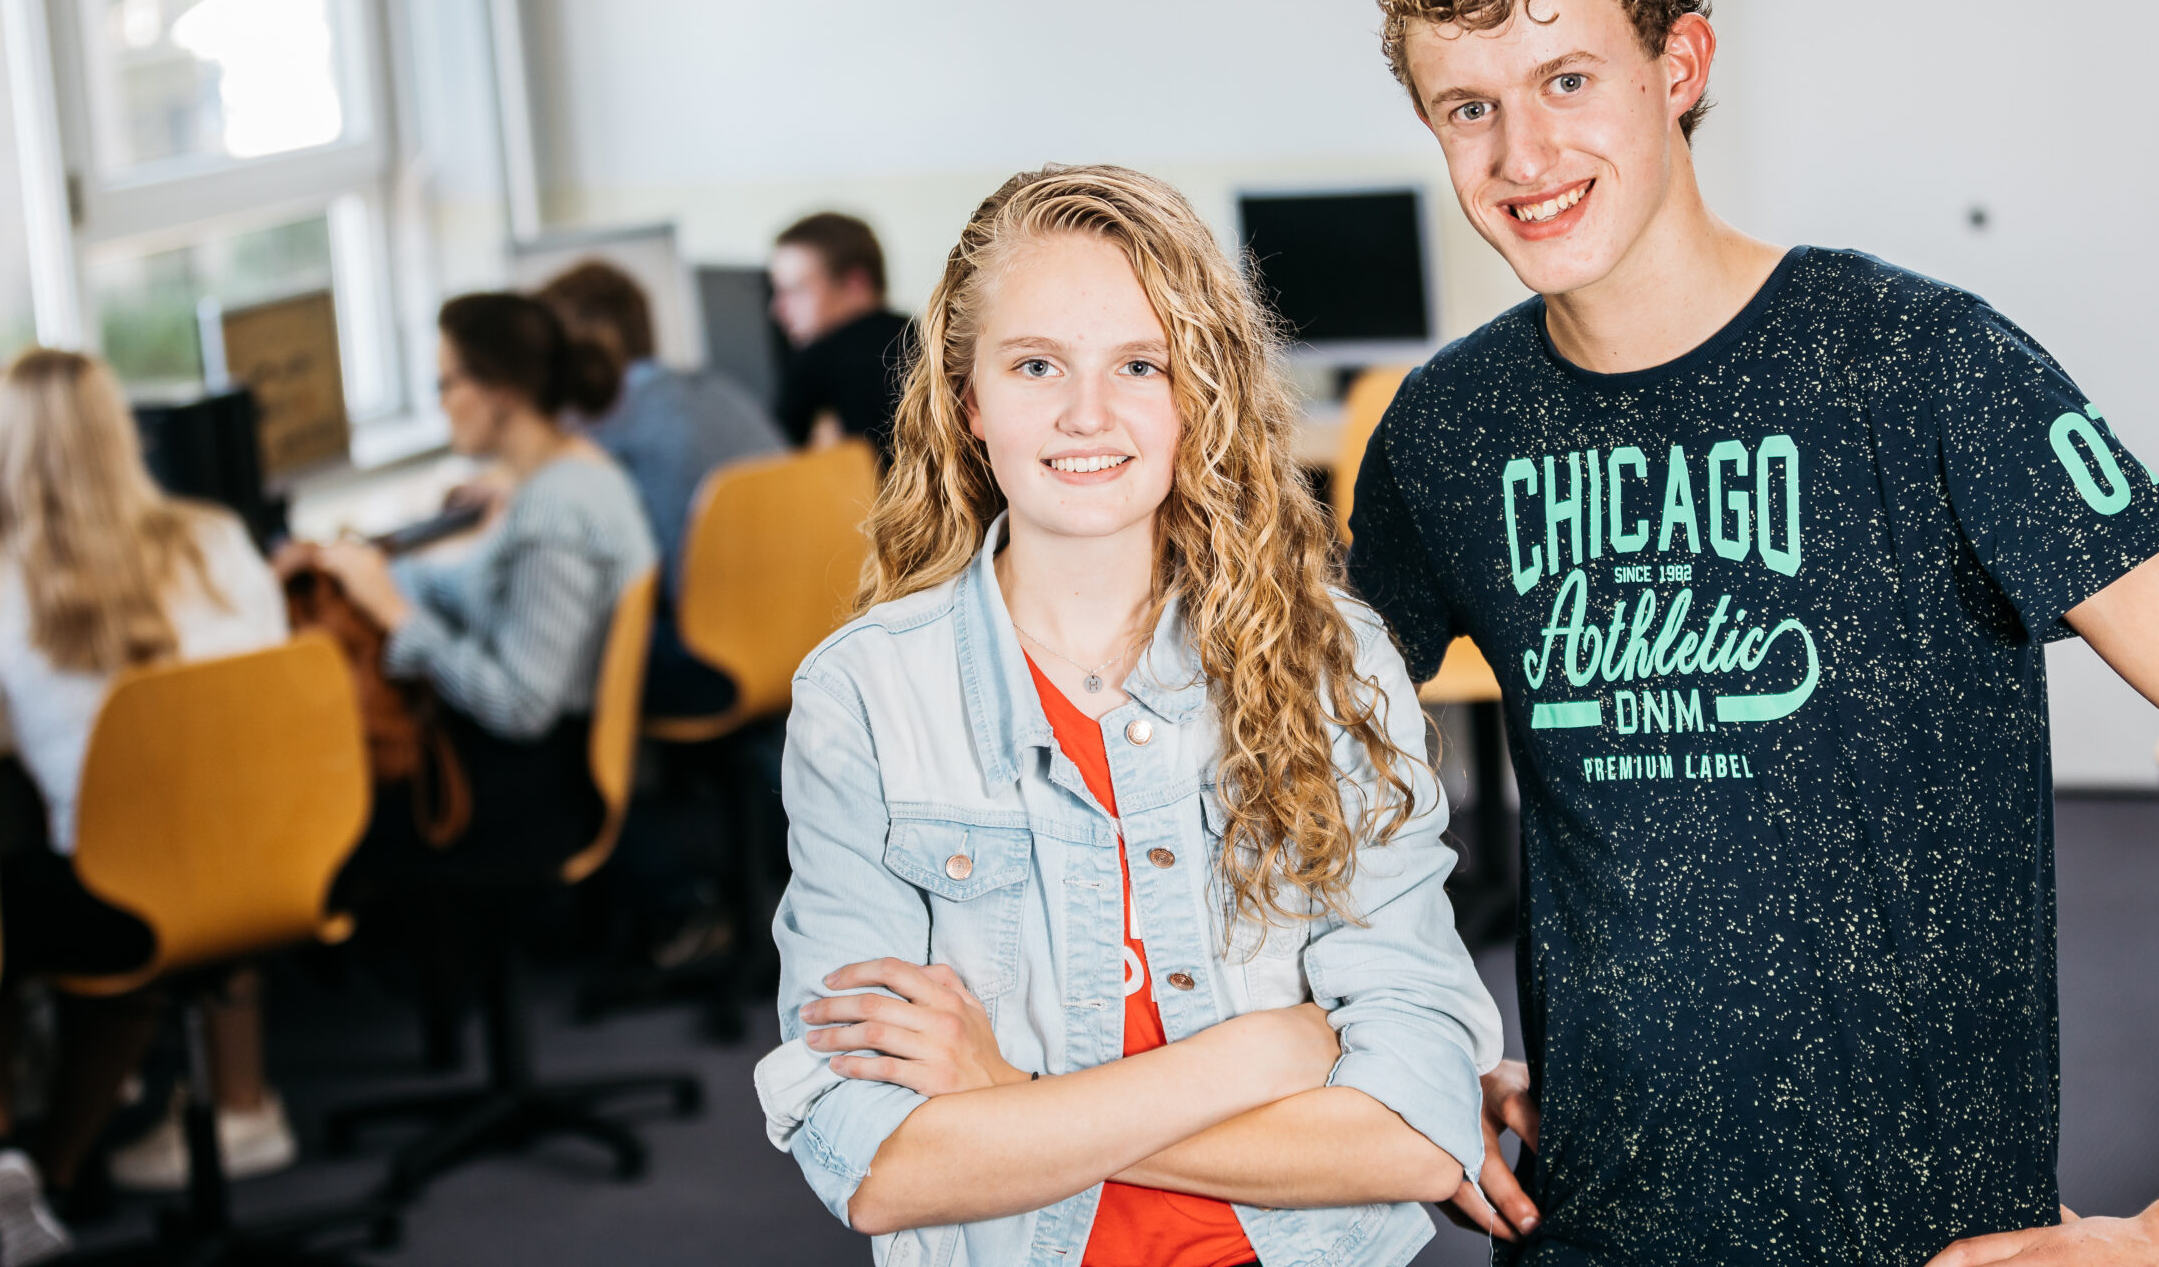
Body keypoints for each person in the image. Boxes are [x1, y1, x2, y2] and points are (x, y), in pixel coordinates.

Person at [1347, 0, 2159, 1265]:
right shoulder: (1448, 433)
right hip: (1592, 1233)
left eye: (1568, 80)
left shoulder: (1923, 366)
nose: (1522, 158)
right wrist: (1405, 1045)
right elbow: (1298, 783)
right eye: (1472, 108)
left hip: (1922, 1241)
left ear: (1680, 65)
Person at [755, 166, 1502, 1266]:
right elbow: (876, 1166)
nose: (1087, 414)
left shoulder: (1331, 658)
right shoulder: (863, 698)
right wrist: (1255, 1057)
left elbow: (1417, 1135)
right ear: (969, 399)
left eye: (1139, 364)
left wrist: (1012, 1093)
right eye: (1037, 364)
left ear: (1195, 392)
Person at [0, 348, 290, 1267]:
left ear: (0, 450)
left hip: (117, 894)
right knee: (111, 935)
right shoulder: (217, 539)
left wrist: (19, 727)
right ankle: (52, 1176)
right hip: (263, 865)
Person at [296, 292, 653, 882]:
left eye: (445, 385)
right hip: (548, 755)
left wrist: (393, 612)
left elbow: (522, 706)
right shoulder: (578, 467)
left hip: (534, 784)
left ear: (501, 393)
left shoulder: (551, 517)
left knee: (337, 810)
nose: (439, 403)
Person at [537, 258, 785, 716]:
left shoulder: (607, 430)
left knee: (543, 645)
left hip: (703, 659)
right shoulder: (718, 391)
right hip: (796, 631)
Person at [769, 210, 914, 462]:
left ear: (856, 284)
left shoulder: (816, 361)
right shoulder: (928, 336)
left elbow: (768, 456)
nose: (777, 309)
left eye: (795, 291)